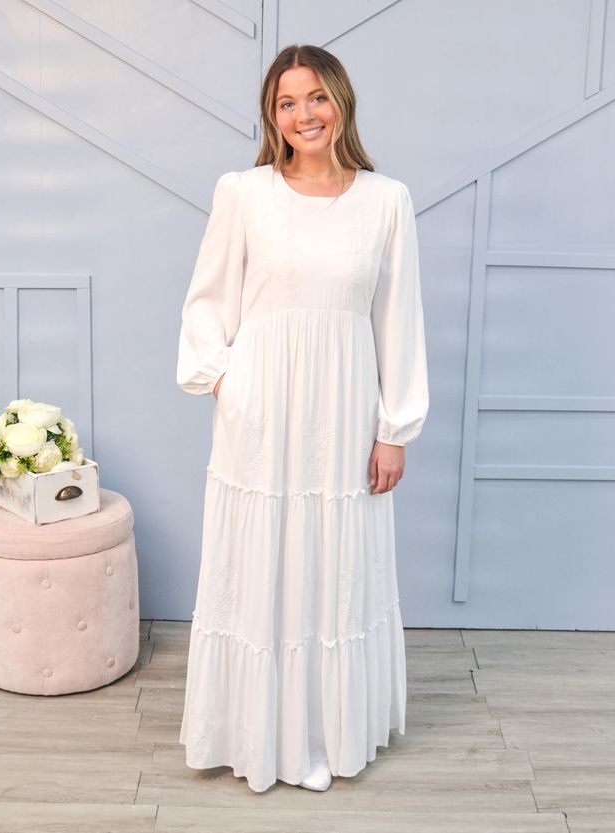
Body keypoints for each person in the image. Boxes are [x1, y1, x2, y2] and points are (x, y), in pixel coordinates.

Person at [176, 43, 429, 793]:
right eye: (287, 102)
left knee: (334, 568)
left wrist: (394, 428)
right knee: (259, 567)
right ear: (271, 115)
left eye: (316, 97)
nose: (303, 114)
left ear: (341, 102)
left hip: (345, 412)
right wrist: (227, 382)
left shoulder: (387, 201)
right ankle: (253, 734)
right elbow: (207, 303)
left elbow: (398, 320)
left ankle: (324, 734)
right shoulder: (244, 193)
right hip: (260, 413)